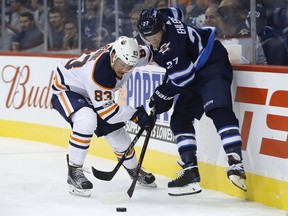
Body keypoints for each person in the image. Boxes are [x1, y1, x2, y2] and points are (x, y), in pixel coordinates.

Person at [137, 8, 247, 196]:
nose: (152, 40)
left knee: (218, 109)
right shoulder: (163, 17)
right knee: (180, 119)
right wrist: (166, 93)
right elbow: (177, 11)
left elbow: (184, 77)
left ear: (162, 28)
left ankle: (236, 164)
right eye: (147, 36)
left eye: (155, 35)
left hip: (211, 63)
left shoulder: (172, 46)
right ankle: (190, 172)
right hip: (192, 66)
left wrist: (164, 93)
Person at [50, 36, 156, 197]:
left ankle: (134, 169)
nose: (125, 70)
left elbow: (155, 54)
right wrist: (135, 114)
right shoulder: (100, 72)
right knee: (86, 120)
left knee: (116, 133)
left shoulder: (134, 54)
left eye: (130, 67)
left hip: (91, 90)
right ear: (113, 56)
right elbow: (110, 114)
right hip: (67, 88)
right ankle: (74, 171)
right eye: (122, 65)